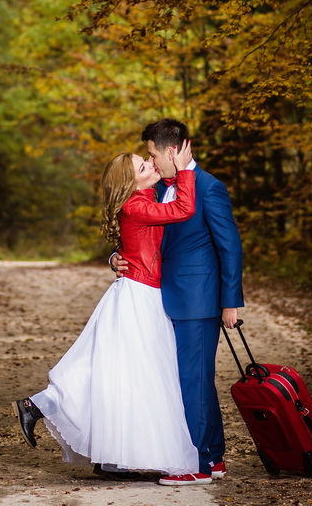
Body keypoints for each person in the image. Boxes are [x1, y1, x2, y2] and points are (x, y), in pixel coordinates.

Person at [13, 142, 205, 482]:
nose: (150, 164)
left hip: (141, 291)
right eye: (143, 167)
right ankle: (44, 407)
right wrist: (187, 169)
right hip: (138, 295)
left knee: (117, 374)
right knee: (135, 374)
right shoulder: (135, 203)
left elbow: (139, 240)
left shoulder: (143, 199)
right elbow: (182, 210)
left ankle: (58, 418)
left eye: (148, 161)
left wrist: (116, 255)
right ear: (130, 183)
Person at [111, 118, 244, 485]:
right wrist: (115, 258)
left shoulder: (207, 187)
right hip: (164, 298)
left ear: (172, 150)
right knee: (193, 380)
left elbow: (229, 245)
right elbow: (141, 233)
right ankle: (213, 458)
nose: (151, 162)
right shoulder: (159, 188)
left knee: (192, 380)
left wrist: (230, 302)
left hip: (197, 300)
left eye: (153, 153)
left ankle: (198, 466)